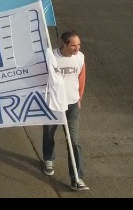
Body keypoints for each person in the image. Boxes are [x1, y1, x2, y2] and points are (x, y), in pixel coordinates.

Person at [42, 30, 89, 192]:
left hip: (72, 104)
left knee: (74, 141)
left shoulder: (80, 57)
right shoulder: (51, 57)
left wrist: (79, 98)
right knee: (49, 133)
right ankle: (48, 159)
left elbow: (81, 78)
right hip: (54, 104)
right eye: (73, 46)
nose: (77, 48)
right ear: (64, 43)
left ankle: (76, 178)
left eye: (79, 45)